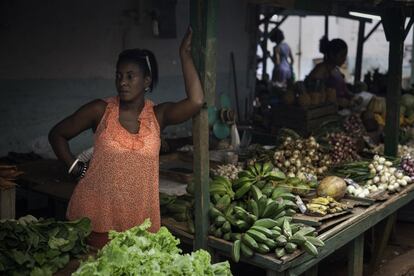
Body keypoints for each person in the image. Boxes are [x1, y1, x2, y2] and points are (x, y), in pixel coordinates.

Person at [48, 27, 203, 248]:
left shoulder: (158, 115)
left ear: (147, 81)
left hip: (140, 222)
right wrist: (74, 167)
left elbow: (196, 101)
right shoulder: (100, 110)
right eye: (119, 76)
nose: (123, 82)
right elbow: (57, 134)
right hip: (94, 218)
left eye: (130, 76)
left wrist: (184, 54)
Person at [307, 38, 353, 104]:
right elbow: (313, 96)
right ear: (332, 54)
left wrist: (352, 96)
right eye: (342, 55)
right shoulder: (321, 70)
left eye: (345, 55)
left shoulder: (336, 69)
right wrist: (338, 101)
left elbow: (344, 90)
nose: (344, 58)